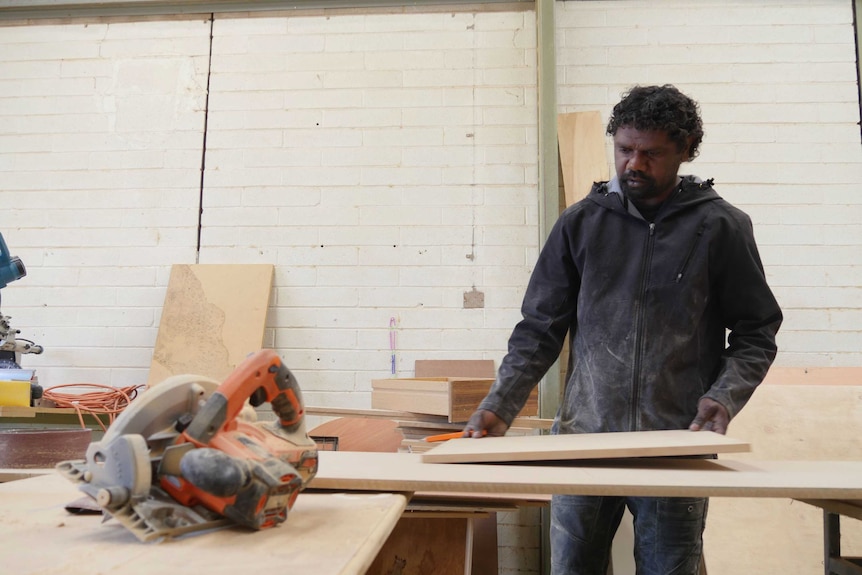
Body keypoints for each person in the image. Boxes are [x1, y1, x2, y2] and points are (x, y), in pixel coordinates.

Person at [462, 84, 782, 575]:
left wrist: (725, 395)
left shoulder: (720, 227)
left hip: (674, 442)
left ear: (685, 151)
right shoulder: (581, 224)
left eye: (651, 154)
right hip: (584, 440)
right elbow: (539, 329)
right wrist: (499, 405)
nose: (633, 164)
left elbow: (757, 328)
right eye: (625, 149)